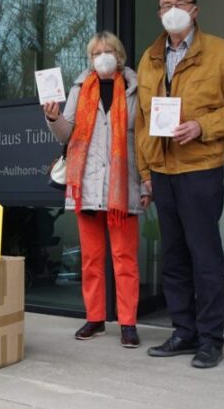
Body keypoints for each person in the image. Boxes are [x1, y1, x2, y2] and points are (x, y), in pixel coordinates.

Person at [134, 0, 224, 368]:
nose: (172, 10)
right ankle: (183, 331)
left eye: (180, 3)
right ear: (159, 14)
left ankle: (211, 339)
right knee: (173, 258)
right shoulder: (148, 58)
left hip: (201, 169)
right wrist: (146, 172)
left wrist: (202, 126)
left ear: (194, 10)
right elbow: (140, 122)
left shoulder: (219, 51)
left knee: (205, 257)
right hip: (163, 172)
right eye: (165, 5)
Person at [44, 31, 148, 348]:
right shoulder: (80, 87)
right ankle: (95, 318)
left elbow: (143, 139)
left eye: (107, 50)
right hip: (87, 184)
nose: (101, 56)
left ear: (119, 55)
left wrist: (147, 180)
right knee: (91, 259)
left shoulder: (135, 88)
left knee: (125, 259)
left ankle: (128, 323)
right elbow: (68, 134)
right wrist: (54, 118)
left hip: (122, 186)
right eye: (95, 52)